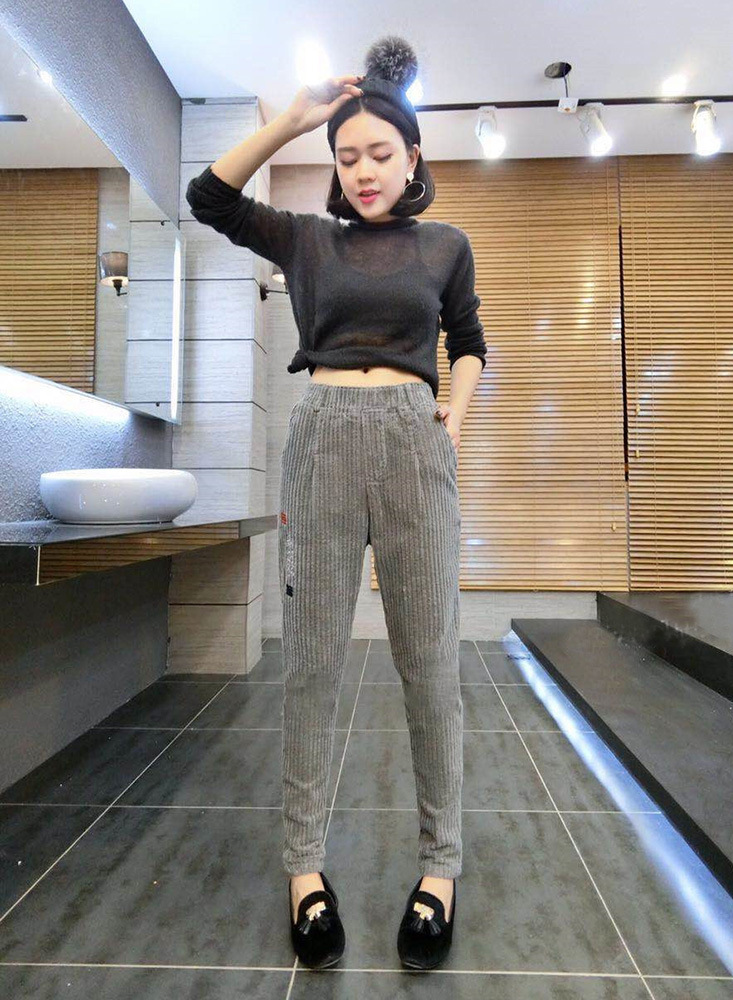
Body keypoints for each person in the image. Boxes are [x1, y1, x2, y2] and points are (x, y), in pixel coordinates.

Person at [185, 35, 487, 972]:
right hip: (321, 438)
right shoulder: (307, 239)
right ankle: (303, 869)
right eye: (347, 155)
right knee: (312, 664)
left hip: (412, 441)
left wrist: (456, 412)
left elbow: (470, 340)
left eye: (380, 153)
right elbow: (209, 198)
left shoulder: (445, 245)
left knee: (429, 663)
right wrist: (292, 119)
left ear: (413, 157)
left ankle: (441, 867)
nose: (363, 170)